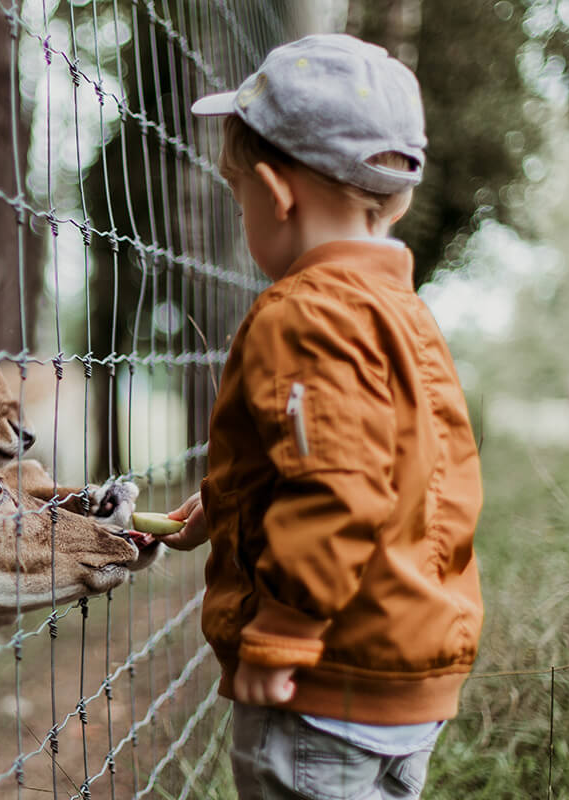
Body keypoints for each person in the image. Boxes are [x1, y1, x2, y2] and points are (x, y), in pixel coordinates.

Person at [156, 34, 483, 800]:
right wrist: (230, 501)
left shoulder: (302, 315)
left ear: (276, 194)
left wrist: (286, 629)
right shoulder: (403, 313)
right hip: (406, 673)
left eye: (238, 195)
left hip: (321, 683)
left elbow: (338, 485)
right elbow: (387, 466)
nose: (243, 212)